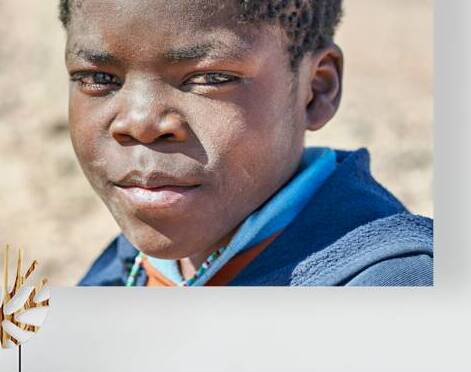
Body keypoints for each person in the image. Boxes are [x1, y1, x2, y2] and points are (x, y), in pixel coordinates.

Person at [60, 0, 433, 286]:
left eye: (210, 77)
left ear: (316, 90)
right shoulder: (124, 270)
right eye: (97, 78)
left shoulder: (394, 290)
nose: (139, 123)